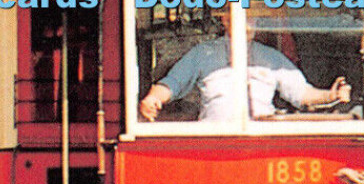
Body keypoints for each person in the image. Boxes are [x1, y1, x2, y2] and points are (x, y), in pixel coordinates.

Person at [139, 22, 351, 122]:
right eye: (241, 14)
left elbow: (301, 93)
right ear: (225, 18)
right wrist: (153, 98)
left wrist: (330, 95)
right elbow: (173, 83)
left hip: (261, 145)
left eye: (251, 16)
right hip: (211, 146)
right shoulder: (204, 53)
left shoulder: (270, 57)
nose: (247, 22)